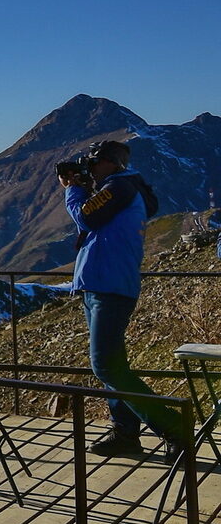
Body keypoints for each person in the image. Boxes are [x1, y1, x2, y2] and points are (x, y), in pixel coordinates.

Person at [61, 139, 185, 458]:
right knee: (114, 363)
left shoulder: (120, 187)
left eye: (94, 161)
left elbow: (87, 217)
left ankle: (173, 426)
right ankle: (126, 432)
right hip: (100, 286)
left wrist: (72, 189)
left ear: (111, 163)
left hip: (110, 287)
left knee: (105, 365)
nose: (89, 166)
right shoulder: (119, 188)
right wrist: (85, 186)